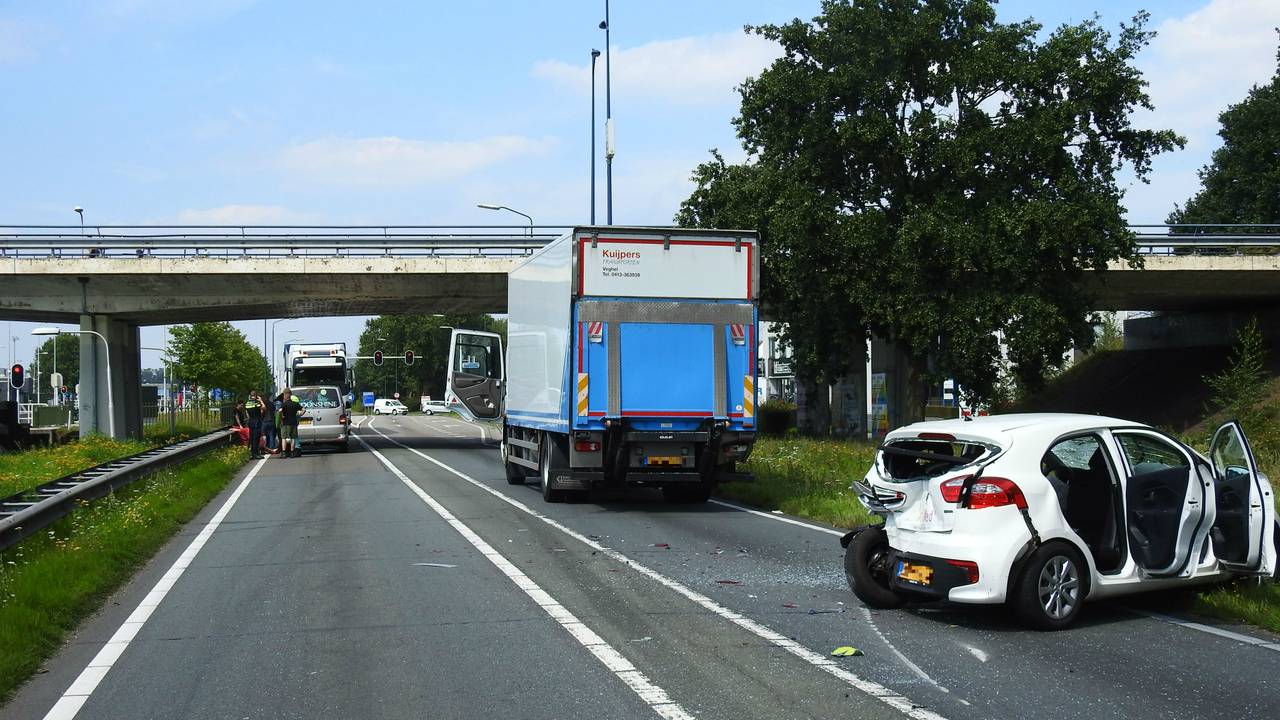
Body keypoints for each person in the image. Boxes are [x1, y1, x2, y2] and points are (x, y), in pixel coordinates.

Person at [278, 387, 305, 458]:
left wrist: (281, 416)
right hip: (294, 422)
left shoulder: (284, 404)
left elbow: (280, 411)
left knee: (284, 438)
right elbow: (304, 409)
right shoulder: (295, 404)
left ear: (285, 395)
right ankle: (292, 452)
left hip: (285, 423)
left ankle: (284, 453)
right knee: (293, 437)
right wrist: (300, 414)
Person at [244, 391, 265, 459]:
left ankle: (251, 453)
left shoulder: (247, 403)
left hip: (251, 421)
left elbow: (247, 413)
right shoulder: (256, 402)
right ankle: (256, 453)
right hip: (257, 422)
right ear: (256, 395)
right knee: (256, 438)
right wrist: (261, 400)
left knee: (252, 438)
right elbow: (264, 408)